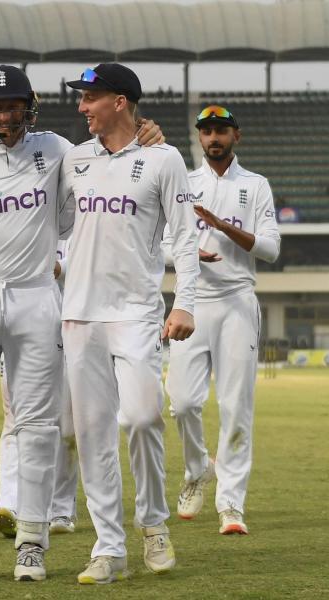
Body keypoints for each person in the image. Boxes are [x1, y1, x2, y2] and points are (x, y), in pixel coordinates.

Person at [0, 65, 164, 581]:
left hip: (36, 298)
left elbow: (113, 155)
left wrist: (148, 136)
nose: (5, 116)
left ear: (28, 109)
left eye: (13, 107)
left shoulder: (57, 150)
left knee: (36, 428)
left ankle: (33, 538)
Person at [58, 63, 199, 584]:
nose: (81, 107)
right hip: (80, 314)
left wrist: (185, 303)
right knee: (93, 433)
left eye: (90, 98)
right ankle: (108, 547)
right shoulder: (72, 158)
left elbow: (184, 238)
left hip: (137, 312)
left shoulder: (163, 158)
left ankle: (154, 523)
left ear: (120, 101)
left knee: (142, 418)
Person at [164, 105, 280, 535]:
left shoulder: (256, 185)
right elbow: (159, 244)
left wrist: (221, 226)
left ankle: (231, 505)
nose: (213, 137)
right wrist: (187, 252)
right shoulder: (184, 183)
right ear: (199, 138)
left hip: (236, 301)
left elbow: (269, 249)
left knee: (236, 407)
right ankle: (198, 468)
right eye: (207, 131)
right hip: (191, 300)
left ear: (237, 136)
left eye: (221, 130)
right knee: (182, 403)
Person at [0, 240, 80, 540]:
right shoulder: (18, 212)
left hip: (72, 324)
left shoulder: (79, 214)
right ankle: (9, 504)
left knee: (67, 426)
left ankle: (60, 508)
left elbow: (94, 263)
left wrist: (62, 268)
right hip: (22, 326)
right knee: (14, 418)